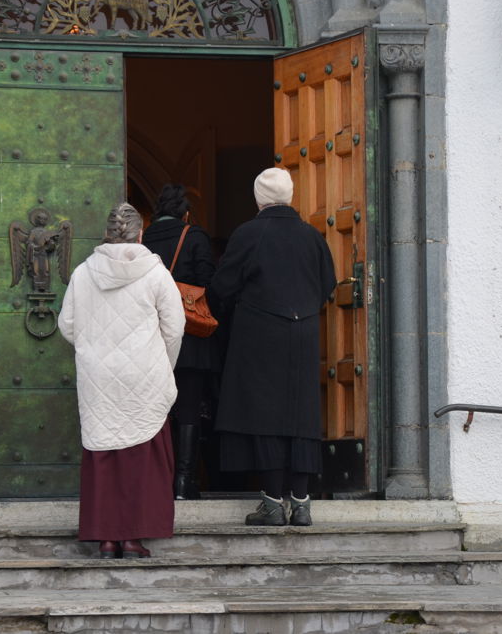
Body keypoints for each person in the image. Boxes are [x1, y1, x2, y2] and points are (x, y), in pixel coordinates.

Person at [209, 168, 336, 526]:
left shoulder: (249, 233)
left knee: (265, 415)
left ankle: (271, 503)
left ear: (258, 198)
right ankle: (302, 503)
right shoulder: (312, 236)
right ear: (290, 196)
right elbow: (329, 284)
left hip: (260, 333)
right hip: (304, 332)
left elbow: (222, 286)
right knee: (301, 415)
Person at [58, 202, 184, 559]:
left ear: (107, 234)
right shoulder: (157, 273)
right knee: (140, 454)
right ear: (140, 234)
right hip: (145, 372)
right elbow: (174, 327)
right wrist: (163, 363)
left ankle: (107, 538)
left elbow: (67, 324)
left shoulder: (84, 273)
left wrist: (92, 348)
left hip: (99, 374)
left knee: (105, 454)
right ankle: (133, 538)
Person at [142, 184, 217, 500]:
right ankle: (184, 482)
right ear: (185, 213)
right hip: (190, 337)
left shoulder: (143, 240)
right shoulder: (195, 237)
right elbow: (207, 283)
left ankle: (156, 482)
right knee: (187, 408)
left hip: (150, 338)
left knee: (154, 411)